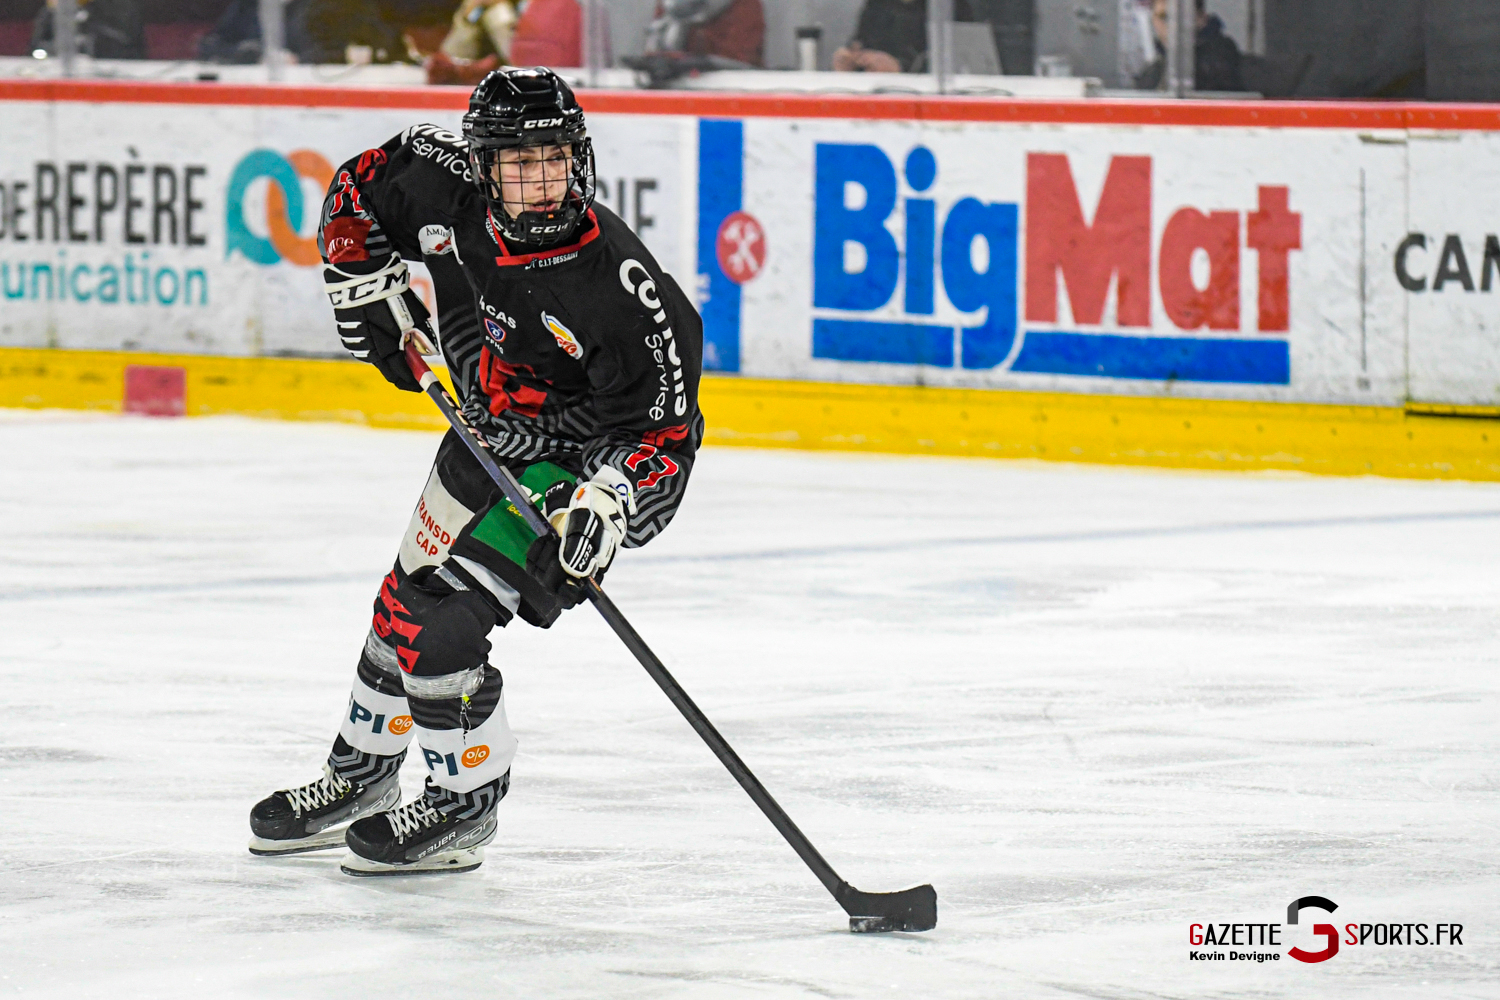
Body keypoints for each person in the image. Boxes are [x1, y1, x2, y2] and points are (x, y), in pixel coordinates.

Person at [248, 67, 704, 875]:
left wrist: (609, 499)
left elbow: (662, 436)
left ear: (581, 159)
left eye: (556, 159)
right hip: (484, 429)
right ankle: (361, 778)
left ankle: (467, 800)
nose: (541, 183)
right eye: (519, 165)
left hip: (573, 469)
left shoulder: (626, 293)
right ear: (482, 165)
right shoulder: (443, 183)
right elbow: (358, 190)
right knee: (399, 607)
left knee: (438, 623)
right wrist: (366, 288)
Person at [833, 0, 970, 74]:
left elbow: (965, 62)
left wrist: (900, 68)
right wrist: (850, 61)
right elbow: (860, 42)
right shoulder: (877, 4)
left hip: (927, 100)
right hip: (874, 94)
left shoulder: (949, 6)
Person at [1134, 0, 1244, 92]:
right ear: (1153, 20)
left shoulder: (1230, 68)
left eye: (1181, 17)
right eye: (1164, 18)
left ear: (1201, 18)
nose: (1173, 27)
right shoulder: (1151, 75)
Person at [30, 0, 145, 59]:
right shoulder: (54, 8)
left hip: (112, 81)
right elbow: (35, 51)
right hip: (61, 79)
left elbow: (129, 51)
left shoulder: (121, 7)